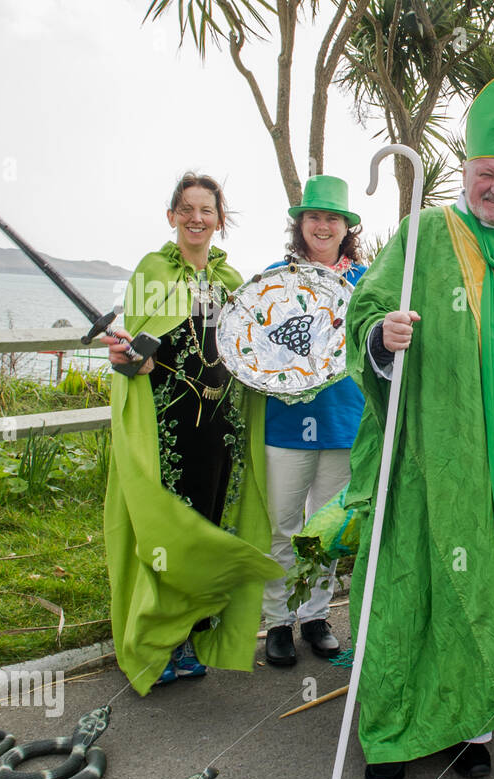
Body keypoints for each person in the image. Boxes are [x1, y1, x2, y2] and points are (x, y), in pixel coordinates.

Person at [344, 75, 494, 779]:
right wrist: (383, 336)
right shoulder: (420, 239)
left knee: (487, 587)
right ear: (464, 172)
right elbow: (364, 315)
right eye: (486, 175)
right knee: (407, 588)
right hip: (423, 453)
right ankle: (388, 738)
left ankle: (471, 728)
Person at [105, 172, 280, 694]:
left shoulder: (230, 283)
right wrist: (126, 362)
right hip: (169, 428)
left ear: (220, 220)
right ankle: (157, 643)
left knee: (207, 526)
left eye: (206, 210)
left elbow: (246, 349)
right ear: (172, 217)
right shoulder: (151, 272)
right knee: (168, 531)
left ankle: (190, 637)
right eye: (187, 209)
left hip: (221, 432)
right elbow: (132, 353)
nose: (196, 218)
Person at [260, 175, 367, 666]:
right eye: (314, 217)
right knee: (283, 525)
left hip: (344, 421)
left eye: (332, 218)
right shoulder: (273, 279)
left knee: (324, 528)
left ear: (347, 227)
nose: (323, 226)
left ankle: (317, 616)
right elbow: (253, 347)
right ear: (300, 224)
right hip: (287, 424)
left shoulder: (365, 282)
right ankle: (278, 621)